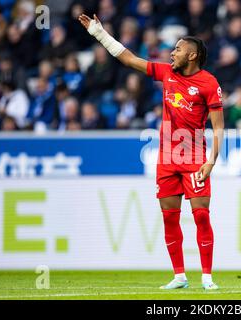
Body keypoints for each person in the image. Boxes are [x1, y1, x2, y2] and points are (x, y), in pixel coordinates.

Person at [79, 14, 224, 290]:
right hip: (167, 160)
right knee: (169, 216)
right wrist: (99, 33)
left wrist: (211, 160)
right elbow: (129, 59)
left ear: (192, 55)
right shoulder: (167, 73)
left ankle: (207, 277)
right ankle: (179, 275)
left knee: (201, 215)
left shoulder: (209, 84)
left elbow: (218, 128)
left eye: (178, 49)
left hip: (194, 159)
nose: (173, 53)